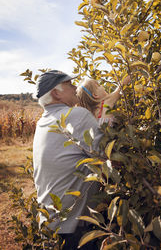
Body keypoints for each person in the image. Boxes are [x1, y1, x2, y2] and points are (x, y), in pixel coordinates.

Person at [33, 70, 103, 250]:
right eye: (70, 84)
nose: (75, 88)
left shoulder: (43, 122)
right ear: (56, 93)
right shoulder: (77, 115)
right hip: (76, 230)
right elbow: (107, 154)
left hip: (49, 224)